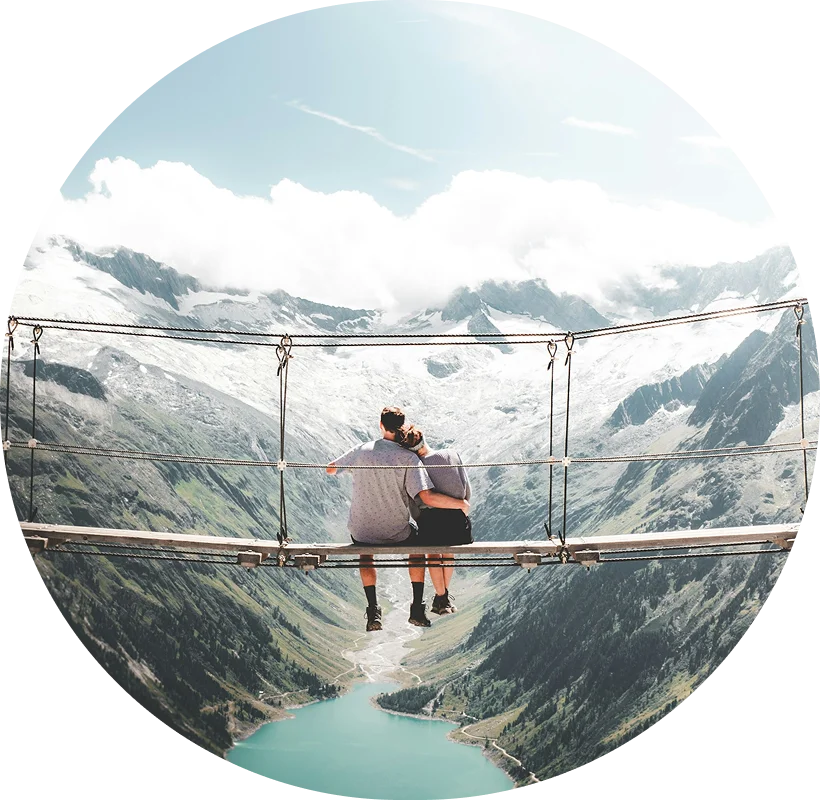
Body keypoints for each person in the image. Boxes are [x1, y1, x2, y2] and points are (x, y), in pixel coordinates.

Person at [326, 407, 470, 632]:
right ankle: (417, 608)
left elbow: (330, 469)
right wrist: (460, 504)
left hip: (362, 530)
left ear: (380, 425)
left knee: (365, 552)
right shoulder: (408, 458)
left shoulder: (361, 450)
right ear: (401, 427)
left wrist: (358, 470)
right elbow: (426, 496)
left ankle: (373, 610)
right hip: (396, 531)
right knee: (418, 546)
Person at [400, 425, 472, 616]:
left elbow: (418, 501)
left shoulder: (416, 466)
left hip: (431, 523)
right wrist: (460, 507)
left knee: (433, 553)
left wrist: (420, 517)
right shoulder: (452, 454)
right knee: (448, 553)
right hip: (459, 524)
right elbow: (467, 491)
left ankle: (442, 597)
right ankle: (443, 597)